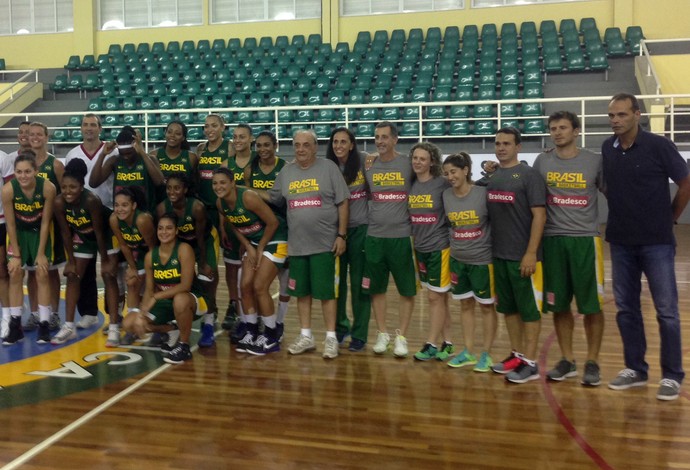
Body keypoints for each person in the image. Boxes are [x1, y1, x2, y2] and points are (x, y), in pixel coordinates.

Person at [603, 93, 690, 401]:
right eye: (612, 115)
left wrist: (670, 218)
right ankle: (635, 369)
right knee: (627, 309)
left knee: (667, 312)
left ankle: (672, 375)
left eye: (622, 115)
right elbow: (606, 185)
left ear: (637, 115)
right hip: (621, 242)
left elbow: (686, 182)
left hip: (656, 242)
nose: (615, 120)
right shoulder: (607, 148)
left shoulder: (659, 146)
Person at [532, 111, 606, 387]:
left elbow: (616, 194)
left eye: (563, 127)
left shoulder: (594, 161)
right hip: (551, 241)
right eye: (553, 128)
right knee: (559, 305)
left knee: (592, 307)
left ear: (576, 131)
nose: (557, 132)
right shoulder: (542, 161)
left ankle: (593, 362)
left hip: (585, 240)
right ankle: (567, 360)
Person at [269, 129, 349, 359]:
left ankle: (331, 338)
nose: (301, 149)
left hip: (326, 245)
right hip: (297, 246)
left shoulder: (329, 168)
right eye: (297, 145)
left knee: (326, 294)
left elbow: (343, 202)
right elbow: (273, 198)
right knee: (301, 293)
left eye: (306, 145)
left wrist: (341, 235)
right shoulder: (286, 172)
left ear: (315, 146)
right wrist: (241, 190)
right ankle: (306, 336)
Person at [486, 127, 546, 384]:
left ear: (518, 146)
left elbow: (539, 215)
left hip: (523, 256)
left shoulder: (530, 176)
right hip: (499, 255)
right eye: (498, 143)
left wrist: (531, 253)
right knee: (508, 308)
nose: (501, 148)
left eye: (507, 144)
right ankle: (517, 354)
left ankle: (531, 363)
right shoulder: (493, 176)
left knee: (529, 311)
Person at [214, 167, 287, 355]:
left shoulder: (248, 197)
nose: (218, 186)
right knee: (244, 285)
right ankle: (252, 330)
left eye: (223, 182)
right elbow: (234, 224)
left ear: (232, 183)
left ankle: (271, 336)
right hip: (254, 242)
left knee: (259, 286)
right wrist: (247, 245)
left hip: (276, 239)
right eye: (215, 183)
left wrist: (260, 247)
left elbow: (273, 223)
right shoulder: (220, 204)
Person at [122, 212, 208, 364]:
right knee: (129, 323)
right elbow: (149, 290)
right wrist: (142, 315)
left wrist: (156, 297)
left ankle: (184, 346)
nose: (164, 232)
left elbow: (185, 286)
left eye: (169, 228)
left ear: (176, 231)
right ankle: (170, 329)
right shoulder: (150, 256)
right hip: (167, 301)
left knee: (180, 299)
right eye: (160, 228)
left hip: (193, 300)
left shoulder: (184, 249)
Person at [51, 159, 120, 346]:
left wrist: (105, 258)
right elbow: (66, 232)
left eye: (72, 187)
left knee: (108, 275)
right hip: (83, 235)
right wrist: (70, 260)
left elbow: (99, 231)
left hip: (105, 234)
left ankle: (114, 326)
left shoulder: (91, 201)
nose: (67, 191)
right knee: (73, 275)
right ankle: (69, 327)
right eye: (64, 187)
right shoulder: (58, 203)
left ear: (81, 187)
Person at [363, 121, 417, 358]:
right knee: (377, 289)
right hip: (374, 235)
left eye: (385, 137)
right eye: (377, 137)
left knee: (407, 290)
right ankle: (382, 333)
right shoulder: (369, 165)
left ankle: (401, 336)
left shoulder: (408, 163)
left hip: (402, 236)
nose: (380, 141)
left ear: (395, 139)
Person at [64, 113, 119, 333]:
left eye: (93, 125)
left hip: (109, 214)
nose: (89, 128)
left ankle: (114, 314)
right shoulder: (72, 153)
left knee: (112, 270)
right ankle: (88, 313)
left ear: (100, 128)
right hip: (81, 217)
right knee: (84, 271)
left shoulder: (111, 151)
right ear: (81, 128)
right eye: (85, 125)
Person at [442, 153, 497, 372]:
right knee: (465, 305)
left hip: (482, 260)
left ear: (465, 170)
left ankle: (487, 354)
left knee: (486, 306)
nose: (450, 176)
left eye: (453, 171)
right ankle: (468, 351)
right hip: (458, 260)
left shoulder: (482, 194)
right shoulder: (446, 195)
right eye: (446, 173)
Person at [156, 172, 218, 348]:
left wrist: (203, 264)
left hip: (204, 242)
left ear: (185, 189)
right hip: (183, 243)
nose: (172, 191)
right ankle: (175, 323)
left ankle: (208, 324)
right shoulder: (162, 208)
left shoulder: (197, 207)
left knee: (207, 280)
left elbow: (200, 238)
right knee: (179, 280)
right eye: (169, 188)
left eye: (177, 188)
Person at [1, 151, 57, 345]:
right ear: (14, 173)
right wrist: (16, 254)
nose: (23, 176)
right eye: (19, 172)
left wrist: (41, 253)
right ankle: (15, 326)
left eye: (27, 171)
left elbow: (45, 223)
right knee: (15, 273)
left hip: (39, 232)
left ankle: (43, 324)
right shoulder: (8, 190)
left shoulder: (48, 188)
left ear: (36, 171)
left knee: (42, 273)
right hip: (19, 234)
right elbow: (11, 224)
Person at [407, 142, 454, 362]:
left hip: (439, 247)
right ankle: (449, 342)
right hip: (420, 248)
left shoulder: (442, 184)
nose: (417, 162)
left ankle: (432, 343)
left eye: (422, 158)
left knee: (435, 297)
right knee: (439, 298)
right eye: (415, 158)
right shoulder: (411, 184)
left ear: (432, 161)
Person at [325, 127, 371, 352]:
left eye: (344, 142)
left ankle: (360, 333)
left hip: (361, 230)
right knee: (337, 284)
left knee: (361, 284)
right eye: (335, 142)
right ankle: (340, 326)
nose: (339, 146)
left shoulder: (364, 162)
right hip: (335, 233)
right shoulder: (327, 167)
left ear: (352, 144)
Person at [243, 130, 290, 342]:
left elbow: (280, 200)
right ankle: (262, 322)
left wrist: (257, 193)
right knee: (255, 283)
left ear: (275, 145)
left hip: (285, 229)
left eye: (266, 145)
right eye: (259, 146)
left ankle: (279, 322)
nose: (262, 149)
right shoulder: (249, 170)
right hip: (259, 231)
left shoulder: (286, 168)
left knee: (285, 281)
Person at [195, 114, 236, 332]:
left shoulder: (230, 148)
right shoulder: (201, 149)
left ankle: (234, 304)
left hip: (225, 212)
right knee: (208, 262)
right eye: (206, 126)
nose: (209, 129)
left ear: (223, 127)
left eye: (214, 125)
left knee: (231, 263)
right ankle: (212, 306)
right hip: (204, 213)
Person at [24, 122, 64, 332]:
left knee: (51, 271)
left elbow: (64, 194)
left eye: (40, 134)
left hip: (50, 227)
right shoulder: (23, 163)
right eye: (32, 134)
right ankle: (34, 313)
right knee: (31, 272)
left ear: (47, 137)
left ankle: (55, 313)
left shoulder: (55, 164)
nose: (36, 137)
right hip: (27, 225)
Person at [221, 123, 258, 341]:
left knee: (253, 269)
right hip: (231, 223)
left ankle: (253, 310)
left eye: (242, 136)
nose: (238, 140)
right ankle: (234, 305)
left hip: (252, 225)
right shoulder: (227, 163)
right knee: (231, 267)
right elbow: (221, 200)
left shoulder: (257, 162)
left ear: (251, 139)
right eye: (235, 137)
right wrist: (222, 224)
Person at [110, 187, 157, 342]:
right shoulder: (114, 220)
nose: (120, 209)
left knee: (151, 287)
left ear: (134, 206)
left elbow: (153, 247)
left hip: (152, 253)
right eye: (117, 205)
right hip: (136, 254)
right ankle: (131, 327)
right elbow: (123, 245)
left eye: (124, 205)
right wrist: (133, 268)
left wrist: (154, 271)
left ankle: (155, 325)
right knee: (131, 282)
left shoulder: (142, 220)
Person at [89, 125, 165, 213]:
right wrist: (102, 155)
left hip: (145, 213)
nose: (125, 157)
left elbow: (160, 183)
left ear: (136, 146)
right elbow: (93, 183)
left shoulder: (150, 159)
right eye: (122, 154)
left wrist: (142, 153)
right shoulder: (114, 160)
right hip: (121, 214)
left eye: (129, 153)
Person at [150, 120, 199, 202]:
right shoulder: (154, 155)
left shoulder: (191, 157)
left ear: (183, 137)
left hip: (183, 204)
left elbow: (194, 184)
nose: (172, 135)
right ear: (165, 133)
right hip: (159, 202)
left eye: (178, 133)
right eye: (169, 132)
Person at [0, 147, 15, 339]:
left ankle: (7, 316)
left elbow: (12, 190)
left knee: (2, 272)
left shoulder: (2, 157)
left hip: (1, 220)